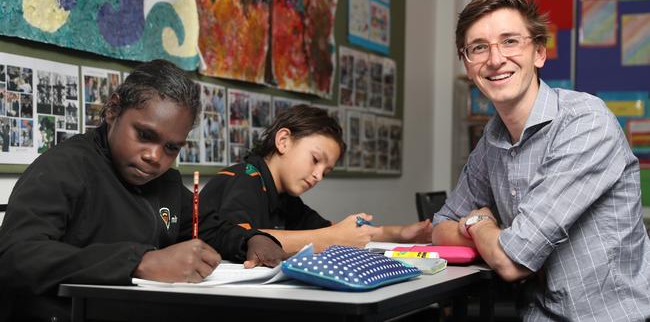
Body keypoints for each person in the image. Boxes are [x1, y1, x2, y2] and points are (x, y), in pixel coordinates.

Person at [0, 60, 285, 322]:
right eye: (145, 135)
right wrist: (138, 263)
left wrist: (251, 239)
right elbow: (17, 257)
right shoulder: (65, 167)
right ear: (113, 110)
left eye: (171, 147)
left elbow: (208, 227)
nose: (154, 156)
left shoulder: (166, 184)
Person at [431, 0, 650, 321]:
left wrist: (478, 221)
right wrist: (489, 234)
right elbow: (440, 228)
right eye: (479, 47)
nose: (495, 59)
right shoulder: (490, 143)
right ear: (467, 63)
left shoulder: (585, 122)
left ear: (539, 53)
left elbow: (512, 260)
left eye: (510, 42)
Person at [200, 104, 433, 253]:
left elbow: (328, 229)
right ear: (283, 141)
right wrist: (331, 238)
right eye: (315, 159)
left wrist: (400, 233)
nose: (318, 175)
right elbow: (242, 238)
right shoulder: (245, 178)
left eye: (326, 171)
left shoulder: (285, 198)